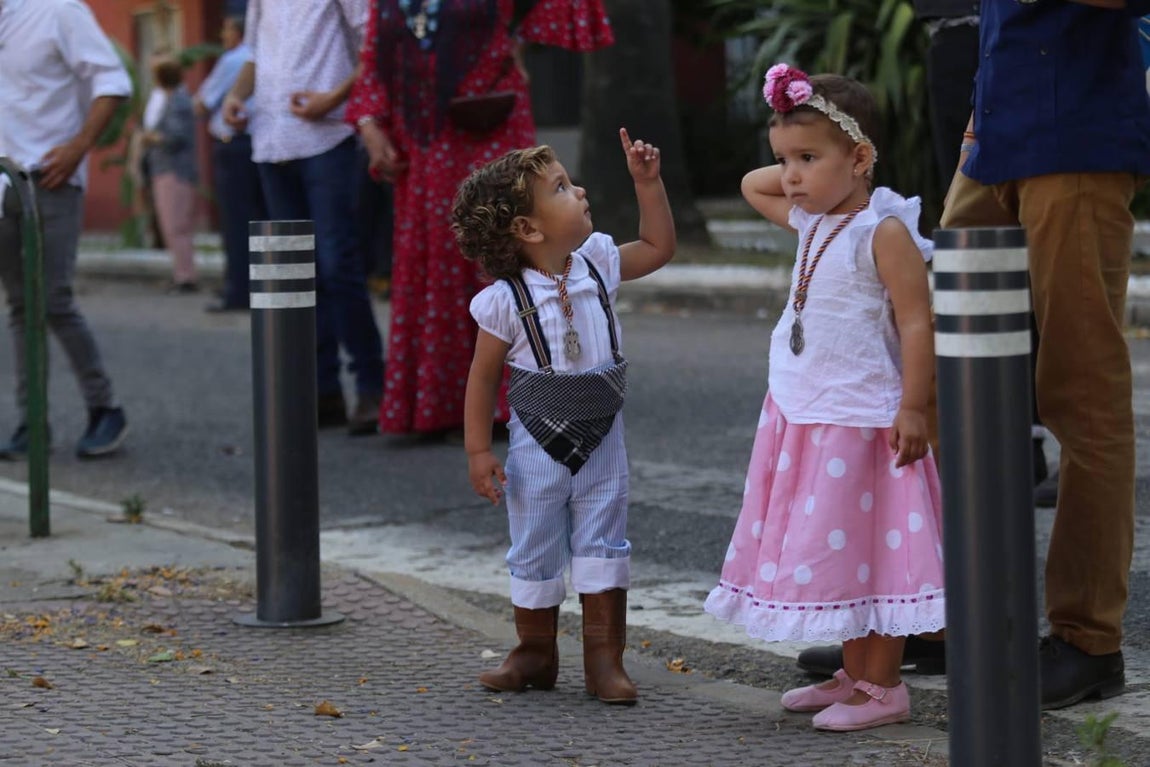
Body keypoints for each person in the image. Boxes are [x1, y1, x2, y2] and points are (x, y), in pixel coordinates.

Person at [703, 65, 945, 732]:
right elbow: (755, 185)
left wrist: (916, 407)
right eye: (786, 159)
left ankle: (885, 685)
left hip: (865, 419)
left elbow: (917, 320)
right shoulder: (812, 219)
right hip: (808, 412)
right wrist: (798, 137)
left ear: (861, 158)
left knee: (879, 553)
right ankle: (854, 672)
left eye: (808, 159)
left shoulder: (882, 231)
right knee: (840, 553)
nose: (789, 176)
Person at [939, 0, 1150, 710]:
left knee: (1080, 391)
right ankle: (938, 609)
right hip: (997, 135)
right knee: (938, 376)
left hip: (1076, 141)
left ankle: (1088, 640)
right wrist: (981, 110)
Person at [453, 132, 675, 704]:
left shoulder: (597, 260)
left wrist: (647, 184)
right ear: (528, 230)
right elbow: (481, 378)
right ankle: (534, 653)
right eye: (561, 188)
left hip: (604, 438)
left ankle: (605, 661)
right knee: (534, 541)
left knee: (605, 542)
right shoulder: (504, 300)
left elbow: (657, 246)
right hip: (535, 447)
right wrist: (480, 450)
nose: (578, 190)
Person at [346, 0, 614, 438]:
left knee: (502, 252)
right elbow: (374, 58)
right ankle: (436, 408)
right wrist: (370, 127)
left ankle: (519, 400)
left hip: (492, 130)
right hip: (423, 141)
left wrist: (517, 45)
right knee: (435, 262)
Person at [222, 0, 385, 436]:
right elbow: (255, 54)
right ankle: (322, 389)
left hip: (326, 137)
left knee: (338, 265)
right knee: (296, 274)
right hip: (271, 141)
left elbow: (374, 44)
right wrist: (237, 96)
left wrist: (335, 97)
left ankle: (371, 384)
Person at [0, 0, 129, 460]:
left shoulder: (57, 9)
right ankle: (31, 423)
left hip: (49, 178)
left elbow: (113, 82)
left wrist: (79, 147)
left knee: (53, 299)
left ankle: (105, 408)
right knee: (20, 307)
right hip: (3, 183)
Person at [194, 14, 265, 313]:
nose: (223, 36)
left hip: (233, 144)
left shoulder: (234, 60)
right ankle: (260, 288)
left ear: (237, 32)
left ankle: (238, 290)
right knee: (260, 219)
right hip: (258, 144)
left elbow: (202, 102)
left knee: (236, 222)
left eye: (225, 30)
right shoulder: (263, 54)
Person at [143, 56, 199, 295]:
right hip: (166, 169)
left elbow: (176, 137)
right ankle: (181, 273)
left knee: (177, 225)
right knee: (171, 225)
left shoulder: (177, 102)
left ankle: (185, 276)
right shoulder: (172, 99)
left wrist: (151, 137)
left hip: (174, 170)